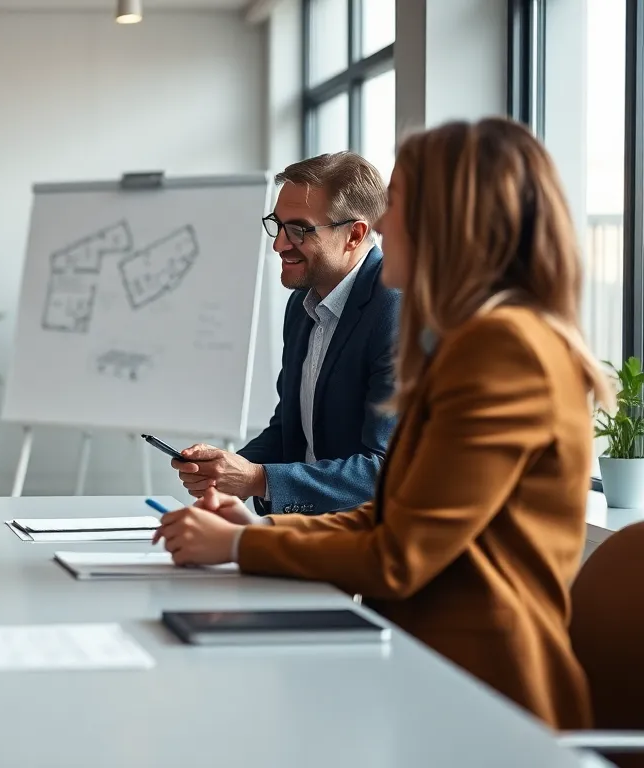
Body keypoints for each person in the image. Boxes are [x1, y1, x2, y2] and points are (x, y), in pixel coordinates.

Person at [154, 118, 610, 730]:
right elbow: (395, 510)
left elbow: (402, 553)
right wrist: (248, 527)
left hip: (483, 693)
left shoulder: (506, 351)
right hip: (426, 666)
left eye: (400, 206)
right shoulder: (474, 341)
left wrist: (239, 543)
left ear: (453, 223)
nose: (386, 227)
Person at [171, 152, 400, 516]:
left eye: (299, 230)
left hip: (364, 542)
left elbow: (384, 469)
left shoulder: (395, 310)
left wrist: (257, 479)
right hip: (306, 533)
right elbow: (290, 430)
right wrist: (226, 470)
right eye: (277, 226)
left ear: (354, 234)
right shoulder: (303, 305)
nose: (279, 244)